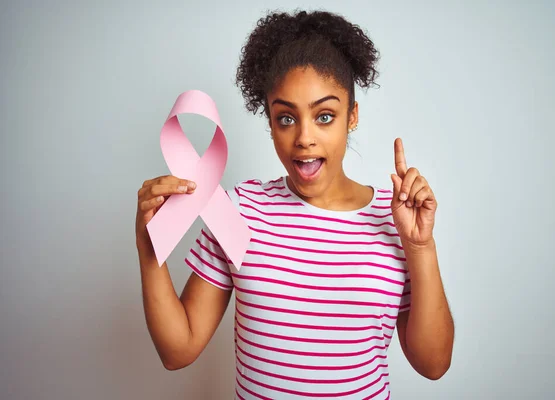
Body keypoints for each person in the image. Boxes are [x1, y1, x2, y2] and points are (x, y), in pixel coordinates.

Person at [135, 9, 454, 399]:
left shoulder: (395, 218)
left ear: (351, 116)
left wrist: (420, 247)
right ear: (269, 121)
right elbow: (177, 350)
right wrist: (151, 247)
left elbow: (433, 364)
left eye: (324, 116)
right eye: (286, 119)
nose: (304, 137)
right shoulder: (239, 211)